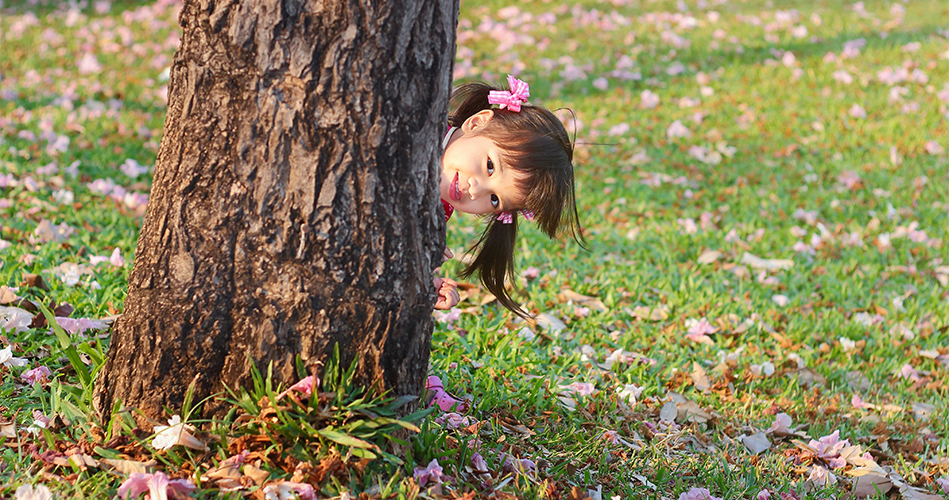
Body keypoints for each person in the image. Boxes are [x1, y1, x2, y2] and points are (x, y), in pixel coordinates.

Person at [427, 75, 585, 412]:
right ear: (477, 123)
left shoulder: (441, 202)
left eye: (495, 199)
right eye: (488, 165)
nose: (475, 189)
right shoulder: (417, 134)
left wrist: (424, 282)